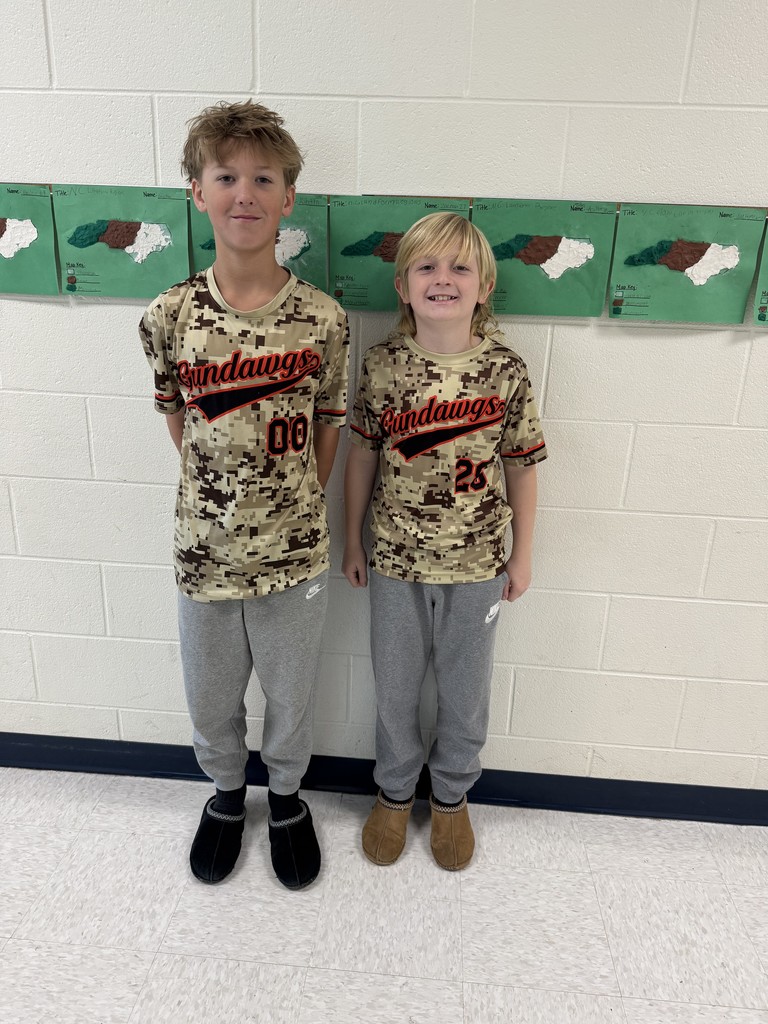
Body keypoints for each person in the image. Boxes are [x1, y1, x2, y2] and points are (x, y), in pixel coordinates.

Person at [140, 100, 349, 889]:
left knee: (292, 693)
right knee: (212, 694)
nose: (245, 193)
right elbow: (178, 425)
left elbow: (330, 425)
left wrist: (293, 504)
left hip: (295, 553)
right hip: (205, 551)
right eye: (226, 176)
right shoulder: (170, 315)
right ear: (197, 190)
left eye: (263, 178)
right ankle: (228, 796)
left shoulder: (322, 319)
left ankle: (287, 798)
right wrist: (222, 502)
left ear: (288, 196)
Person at [342, 211, 546, 871]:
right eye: (427, 266)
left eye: (460, 267)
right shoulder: (381, 366)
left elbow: (522, 464)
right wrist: (351, 539)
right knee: (396, 688)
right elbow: (362, 458)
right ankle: (395, 794)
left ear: (484, 285)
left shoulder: (506, 370)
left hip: (479, 564)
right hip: (396, 561)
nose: (443, 279)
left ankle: (453, 798)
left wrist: (523, 553)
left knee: (465, 690)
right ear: (402, 286)